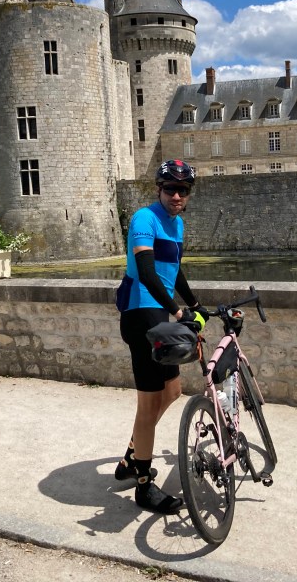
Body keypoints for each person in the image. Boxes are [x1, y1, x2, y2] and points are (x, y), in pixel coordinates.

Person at [115, 159, 208, 514]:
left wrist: (196, 304)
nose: (176, 196)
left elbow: (173, 270)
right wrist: (179, 312)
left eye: (183, 190)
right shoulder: (145, 219)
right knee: (149, 401)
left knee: (172, 391)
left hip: (161, 315)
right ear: (159, 189)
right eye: (170, 189)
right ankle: (143, 484)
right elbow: (147, 272)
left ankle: (131, 457)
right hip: (141, 313)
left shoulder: (177, 224)